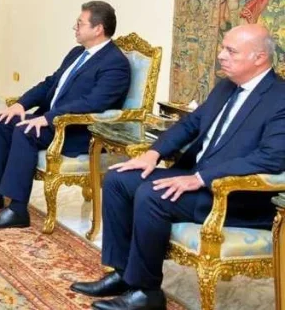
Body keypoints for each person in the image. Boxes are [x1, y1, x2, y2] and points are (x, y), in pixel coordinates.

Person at [71, 24, 285, 310]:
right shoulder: (226, 86)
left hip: (234, 196)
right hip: (196, 177)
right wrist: (153, 154)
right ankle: (123, 274)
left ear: (259, 58)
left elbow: (270, 158)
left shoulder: (279, 98)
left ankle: (147, 293)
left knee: (152, 194)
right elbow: (189, 125)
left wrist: (201, 178)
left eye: (231, 51)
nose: (221, 55)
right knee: (118, 179)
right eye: (223, 48)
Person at [0, 1, 131, 229]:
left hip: (76, 130)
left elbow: (93, 103)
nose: (75, 27)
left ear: (98, 29)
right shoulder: (77, 53)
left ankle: (17, 210)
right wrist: (21, 104)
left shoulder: (115, 64)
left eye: (80, 23)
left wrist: (48, 118)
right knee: (2, 122)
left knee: (25, 131)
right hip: (53, 120)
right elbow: (50, 83)